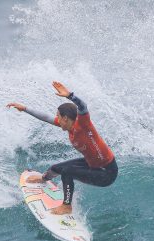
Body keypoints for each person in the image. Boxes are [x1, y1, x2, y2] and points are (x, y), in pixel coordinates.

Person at [7, 81, 118, 215]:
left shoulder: (83, 124)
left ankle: (66, 206)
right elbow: (46, 117)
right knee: (56, 168)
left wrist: (70, 95)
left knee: (67, 171)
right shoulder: (68, 126)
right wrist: (25, 108)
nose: (56, 119)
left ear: (65, 118)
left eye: (58, 116)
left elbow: (83, 106)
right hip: (93, 164)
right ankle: (43, 178)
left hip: (106, 173)